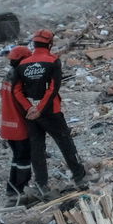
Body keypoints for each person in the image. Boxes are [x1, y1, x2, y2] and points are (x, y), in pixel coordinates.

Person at [14, 29, 87, 194]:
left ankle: (42, 185)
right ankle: (79, 177)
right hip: (51, 112)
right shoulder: (53, 61)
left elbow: (16, 91)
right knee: (66, 143)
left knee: (37, 149)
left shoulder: (22, 64)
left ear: (34, 43)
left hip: (30, 115)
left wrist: (29, 108)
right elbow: (53, 88)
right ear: (50, 44)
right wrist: (39, 109)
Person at [0, 45, 33, 205]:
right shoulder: (21, 77)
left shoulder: (8, 76)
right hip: (19, 126)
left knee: (17, 158)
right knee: (24, 160)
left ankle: (11, 189)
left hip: (7, 126)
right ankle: (18, 192)